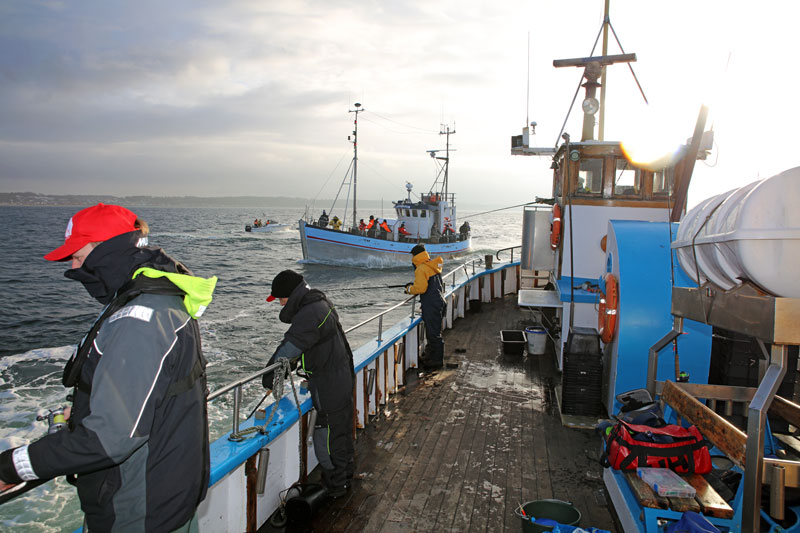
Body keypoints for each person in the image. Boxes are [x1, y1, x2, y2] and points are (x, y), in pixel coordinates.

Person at [0, 203, 216, 531]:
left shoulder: (140, 320)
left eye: (77, 254)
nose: (73, 265)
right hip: (166, 498)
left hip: (138, 511)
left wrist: (11, 467)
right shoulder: (161, 299)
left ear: (106, 252)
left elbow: (108, 439)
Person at [263, 270, 355, 498]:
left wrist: (269, 378)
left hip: (330, 383)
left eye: (280, 299)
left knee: (329, 436)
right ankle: (343, 478)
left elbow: (289, 349)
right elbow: (307, 342)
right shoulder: (317, 303)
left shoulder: (310, 313)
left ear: (289, 295)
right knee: (340, 432)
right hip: (338, 376)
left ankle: (336, 485)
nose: (279, 304)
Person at [404, 244, 446, 370]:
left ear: (415, 255)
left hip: (431, 304)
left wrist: (409, 289)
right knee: (434, 331)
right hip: (439, 301)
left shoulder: (421, 269)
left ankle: (437, 361)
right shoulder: (431, 265)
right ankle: (430, 356)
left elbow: (421, 288)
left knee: (433, 334)